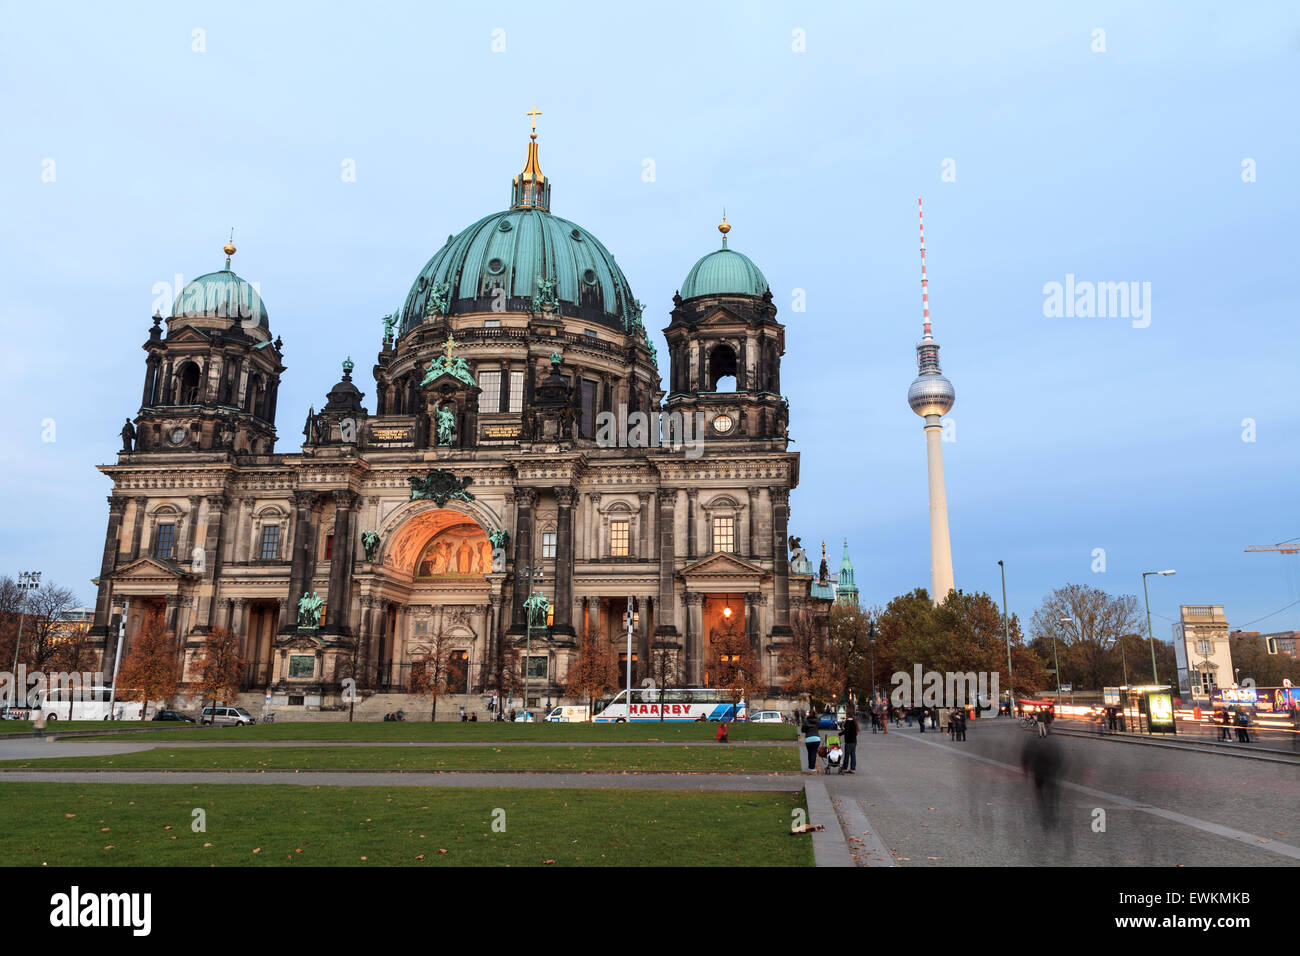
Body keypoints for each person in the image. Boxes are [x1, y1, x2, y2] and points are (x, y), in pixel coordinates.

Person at [839, 710, 859, 774]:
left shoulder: (848, 722)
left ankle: (845, 768)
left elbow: (846, 730)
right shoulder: (854, 721)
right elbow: (855, 733)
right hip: (854, 741)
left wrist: (840, 734)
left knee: (847, 755)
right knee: (853, 755)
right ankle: (853, 769)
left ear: (847, 715)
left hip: (849, 741)